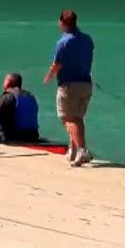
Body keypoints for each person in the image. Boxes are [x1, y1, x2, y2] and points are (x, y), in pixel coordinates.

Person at [44, 9, 94, 166]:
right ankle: (72, 153)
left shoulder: (63, 42)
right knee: (77, 119)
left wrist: (49, 76)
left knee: (67, 118)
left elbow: (57, 64)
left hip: (69, 84)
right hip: (86, 83)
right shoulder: (87, 39)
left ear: (63, 23)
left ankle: (82, 149)